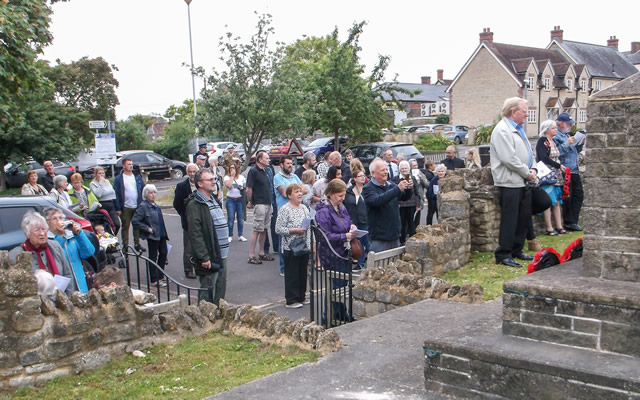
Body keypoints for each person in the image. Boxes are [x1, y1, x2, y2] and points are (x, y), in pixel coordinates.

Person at [490, 97, 537, 268]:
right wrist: (527, 172)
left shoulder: (518, 129)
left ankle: (517, 249)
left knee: (522, 217)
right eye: (524, 111)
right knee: (510, 219)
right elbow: (509, 158)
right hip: (509, 181)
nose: (526, 114)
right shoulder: (502, 130)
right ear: (513, 112)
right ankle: (504, 253)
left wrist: (533, 169)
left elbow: (528, 151)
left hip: (522, 179)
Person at [315, 179, 358, 322]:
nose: (342, 199)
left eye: (343, 195)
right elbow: (324, 236)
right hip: (332, 254)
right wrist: (343, 236)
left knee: (341, 286)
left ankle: (339, 315)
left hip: (344, 252)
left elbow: (348, 219)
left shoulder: (341, 207)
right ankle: (327, 318)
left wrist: (352, 226)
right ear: (331, 194)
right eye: (340, 196)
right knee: (336, 287)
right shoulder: (323, 212)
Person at [185, 168, 229, 305]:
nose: (213, 182)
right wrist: (204, 256)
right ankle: (204, 319)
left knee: (220, 289)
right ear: (200, 184)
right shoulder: (195, 204)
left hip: (221, 252)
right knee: (208, 290)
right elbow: (195, 233)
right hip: (209, 255)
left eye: (214, 179)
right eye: (209, 180)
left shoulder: (212, 200)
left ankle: (218, 318)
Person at [9, 211, 76, 297]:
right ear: (27, 234)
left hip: (59, 301)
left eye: (44, 229)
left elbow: (67, 275)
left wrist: (67, 299)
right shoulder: (16, 255)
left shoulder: (55, 246)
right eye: (36, 230)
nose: (42, 233)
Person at [362, 159, 413, 252]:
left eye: (386, 169)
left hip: (395, 236)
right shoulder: (368, 189)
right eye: (382, 170)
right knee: (379, 266)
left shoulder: (390, 185)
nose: (386, 172)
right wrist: (397, 188)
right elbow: (378, 201)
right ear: (373, 173)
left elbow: (404, 197)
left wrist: (409, 188)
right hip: (379, 239)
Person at [275, 183, 311, 308]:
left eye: (300, 191)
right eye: (296, 192)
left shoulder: (305, 208)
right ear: (289, 195)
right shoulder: (285, 209)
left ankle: (301, 296)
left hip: (304, 245)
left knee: (302, 272)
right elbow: (278, 229)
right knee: (292, 273)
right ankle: (291, 300)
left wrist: (310, 245)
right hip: (290, 246)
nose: (300, 194)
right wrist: (295, 230)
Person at [44, 207, 93, 293]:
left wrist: (79, 234)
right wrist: (60, 235)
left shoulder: (71, 237)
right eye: (54, 219)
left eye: (61, 218)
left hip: (81, 286)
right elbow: (57, 250)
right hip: (63, 289)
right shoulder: (47, 241)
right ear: (47, 223)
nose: (59, 221)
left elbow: (88, 252)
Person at [132, 184, 169, 287]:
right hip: (153, 235)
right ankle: (154, 279)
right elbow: (135, 221)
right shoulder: (143, 206)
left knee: (164, 253)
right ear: (146, 195)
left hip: (161, 234)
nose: (153, 195)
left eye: (154, 192)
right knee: (153, 256)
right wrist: (147, 229)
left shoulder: (155, 205)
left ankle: (160, 275)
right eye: (150, 193)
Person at [536, 120, 567, 236]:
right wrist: (558, 165)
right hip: (547, 175)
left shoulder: (553, 141)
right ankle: (549, 228)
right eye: (553, 128)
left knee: (557, 201)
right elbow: (543, 157)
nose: (556, 130)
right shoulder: (542, 141)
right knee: (548, 201)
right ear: (547, 129)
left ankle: (559, 226)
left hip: (556, 175)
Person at [273, 155, 303, 276]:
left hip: (297, 211)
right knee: (284, 241)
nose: (290, 165)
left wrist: (296, 191)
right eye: (287, 163)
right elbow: (285, 193)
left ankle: (295, 266)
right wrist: (297, 190)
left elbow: (304, 190)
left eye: (291, 163)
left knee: (297, 239)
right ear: (281, 164)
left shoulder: (295, 176)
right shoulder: (277, 177)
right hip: (284, 212)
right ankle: (284, 268)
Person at [554, 112, 583, 231]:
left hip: (574, 170)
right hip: (566, 170)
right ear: (561, 124)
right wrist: (567, 143)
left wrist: (580, 143)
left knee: (578, 195)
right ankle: (569, 222)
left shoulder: (567, 135)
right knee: (568, 197)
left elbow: (574, 151)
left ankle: (574, 221)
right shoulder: (557, 136)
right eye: (568, 124)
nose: (570, 126)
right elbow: (557, 153)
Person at [246, 150, 275, 264]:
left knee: (264, 229)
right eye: (267, 158)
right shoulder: (253, 171)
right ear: (260, 159)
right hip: (260, 203)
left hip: (268, 203)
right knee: (257, 229)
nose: (269, 160)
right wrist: (251, 201)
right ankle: (251, 255)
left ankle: (261, 252)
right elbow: (249, 189)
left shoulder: (265, 171)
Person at [113, 157, 145, 252]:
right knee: (125, 226)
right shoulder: (119, 179)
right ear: (123, 166)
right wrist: (118, 208)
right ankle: (125, 245)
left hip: (137, 205)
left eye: (131, 164)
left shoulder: (137, 176)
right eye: (128, 164)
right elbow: (116, 193)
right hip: (125, 206)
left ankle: (137, 243)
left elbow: (143, 188)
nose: (131, 166)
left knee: (137, 225)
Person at [173, 163, 199, 279]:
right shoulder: (181, 186)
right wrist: (185, 215)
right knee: (188, 247)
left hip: (200, 220)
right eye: (190, 172)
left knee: (200, 246)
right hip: (188, 221)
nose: (192, 174)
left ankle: (199, 267)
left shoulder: (201, 184)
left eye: (194, 172)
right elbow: (177, 204)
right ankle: (188, 269)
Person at [344, 168, 368, 269]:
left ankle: (370, 260)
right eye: (360, 176)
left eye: (364, 176)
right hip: (353, 220)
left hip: (366, 220)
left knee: (367, 242)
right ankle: (360, 262)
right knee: (358, 242)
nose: (363, 178)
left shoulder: (367, 189)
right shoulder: (348, 191)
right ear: (354, 178)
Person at [393, 160, 419, 244]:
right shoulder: (396, 179)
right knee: (402, 223)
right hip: (401, 205)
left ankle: (412, 240)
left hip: (411, 204)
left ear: (408, 169)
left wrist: (417, 204)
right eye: (402, 168)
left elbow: (416, 192)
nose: (404, 170)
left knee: (411, 222)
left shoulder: (412, 178)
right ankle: (402, 241)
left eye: (405, 168)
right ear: (399, 169)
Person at [90, 166, 121, 235]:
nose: (101, 175)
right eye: (99, 173)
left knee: (117, 224)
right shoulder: (93, 184)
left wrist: (117, 207)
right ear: (96, 174)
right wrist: (101, 183)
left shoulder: (107, 181)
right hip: (102, 205)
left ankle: (113, 236)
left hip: (110, 204)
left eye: (102, 173)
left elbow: (112, 193)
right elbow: (99, 194)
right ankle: (107, 238)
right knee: (107, 225)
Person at [223, 163, 247, 242]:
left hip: (239, 200)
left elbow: (245, 187)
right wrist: (232, 177)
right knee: (230, 218)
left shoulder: (241, 177)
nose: (232, 169)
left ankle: (240, 235)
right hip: (230, 200)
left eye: (233, 168)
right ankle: (229, 235)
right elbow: (229, 186)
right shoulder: (227, 177)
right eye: (230, 168)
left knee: (240, 218)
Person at [410, 159, 429, 228]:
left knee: (417, 217)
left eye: (416, 165)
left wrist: (422, 180)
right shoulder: (408, 174)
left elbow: (427, 185)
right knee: (410, 217)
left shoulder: (420, 173)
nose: (415, 167)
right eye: (413, 165)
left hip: (419, 198)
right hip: (411, 199)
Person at [423, 160, 437, 225]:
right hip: (431, 195)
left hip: (429, 194)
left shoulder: (428, 173)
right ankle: (429, 224)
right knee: (431, 211)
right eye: (434, 164)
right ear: (430, 166)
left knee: (431, 211)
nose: (435, 166)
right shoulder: (429, 175)